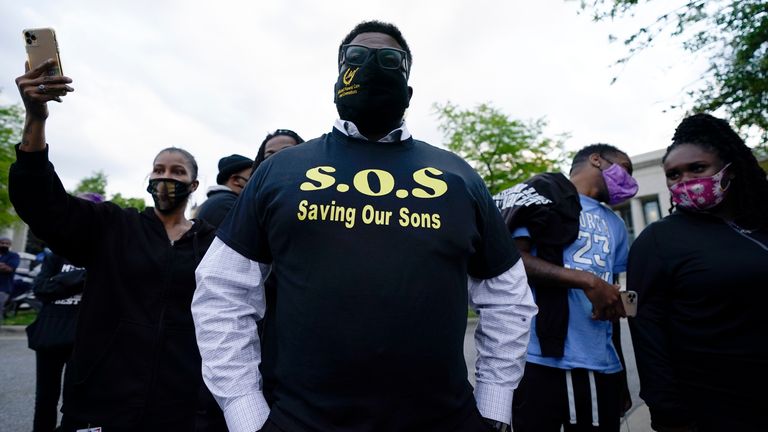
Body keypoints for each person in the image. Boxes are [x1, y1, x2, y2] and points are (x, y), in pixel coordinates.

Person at [192, 20, 537, 432]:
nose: (372, 68)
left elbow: (508, 297)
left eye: (390, 61)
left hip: (445, 420)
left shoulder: (459, 176)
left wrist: (494, 405)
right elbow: (222, 292)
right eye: (356, 58)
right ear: (337, 79)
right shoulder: (280, 171)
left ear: (409, 90)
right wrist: (245, 413)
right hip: (302, 422)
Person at [11, 59, 217, 431]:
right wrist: (35, 119)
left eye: (177, 172)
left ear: (194, 185)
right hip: (100, 406)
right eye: (158, 170)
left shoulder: (213, 245)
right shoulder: (113, 226)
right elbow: (42, 203)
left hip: (180, 410)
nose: (165, 178)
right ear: (148, 178)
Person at [628, 113, 768, 432]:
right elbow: (648, 333)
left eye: (697, 168)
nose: (684, 180)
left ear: (728, 171)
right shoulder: (657, 241)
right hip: (712, 410)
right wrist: (668, 413)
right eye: (673, 174)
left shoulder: (759, 228)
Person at [497, 144, 637, 432]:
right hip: (539, 357)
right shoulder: (545, 194)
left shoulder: (616, 224)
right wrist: (586, 280)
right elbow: (512, 259)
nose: (630, 180)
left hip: (599, 364)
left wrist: (621, 372)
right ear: (597, 160)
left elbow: (612, 305)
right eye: (625, 168)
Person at [26, 193, 101, 432]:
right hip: (50, 335)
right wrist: (80, 276)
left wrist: (60, 283)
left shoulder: (101, 251)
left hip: (83, 337)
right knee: (45, 398)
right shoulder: (55, 252)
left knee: (76, 402)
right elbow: (40, 289)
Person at [196, 154, 254, 227]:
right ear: (235, 180)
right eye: (252, 177)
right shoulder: (227, 204)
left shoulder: (219, 200)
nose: (256, 182)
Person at [0, 236, 20, 315]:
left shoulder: (13, 256)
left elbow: (9, 269)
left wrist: (5, 266)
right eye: (2, 243)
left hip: (3, 288)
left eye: (7, 244)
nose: (4, 245)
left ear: (10, 245)